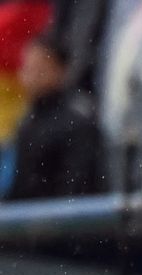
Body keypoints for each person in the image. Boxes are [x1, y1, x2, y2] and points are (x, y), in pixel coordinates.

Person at [3, 34, 105, 201]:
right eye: (27, 68)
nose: (30, 76)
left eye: (39, 69)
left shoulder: (77, 124)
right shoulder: (27, 120)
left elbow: (76, 190)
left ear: (60, 70)